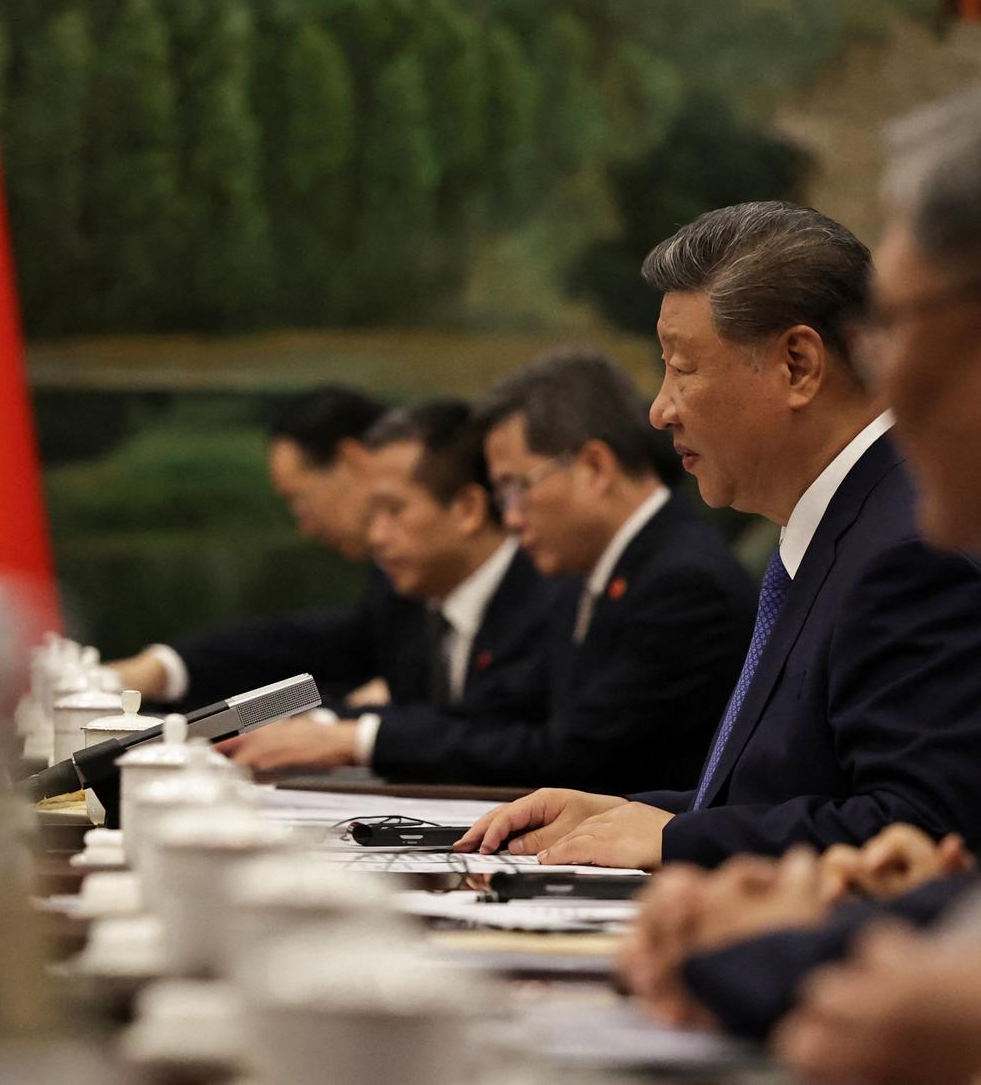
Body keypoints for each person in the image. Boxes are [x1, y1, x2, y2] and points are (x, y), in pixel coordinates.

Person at [617, 91, 981, 1074]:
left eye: (898, 328)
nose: (887, 381)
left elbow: (916, 819)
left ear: (796, 364)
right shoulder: (823, 537)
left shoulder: (906, 541)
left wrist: (696, 862)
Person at [458, 200, 981, 869]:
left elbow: (922, 831)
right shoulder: (842, 526)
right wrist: (638, 813)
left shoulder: (908, 548)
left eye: (682, 366)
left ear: (798, 365)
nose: (659, 408)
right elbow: (798, 789)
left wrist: (679, 838)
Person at [302, 350, 753, 791]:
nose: (511, 518)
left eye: (517, 488)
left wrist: (358, 740)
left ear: (595, 467)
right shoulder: (591, 573)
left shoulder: (683, 583)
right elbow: (499, 711)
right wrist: (335, 727)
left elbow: (573, 757)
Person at [224, 399, 573, 771]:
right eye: (372, 514)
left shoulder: (552, 599)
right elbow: (310, 659)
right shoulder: (405, 598)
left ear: (468, 509)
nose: (376, 536)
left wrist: (357, 738)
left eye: (393, 510)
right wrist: (283, 721)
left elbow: (505, 735)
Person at [106, 386, 391, 707]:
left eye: (299, 501)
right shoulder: (390, 585)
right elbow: (328, 646)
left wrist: (339, 727)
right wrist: (165, 667)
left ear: (352, 462)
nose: (305, 528)